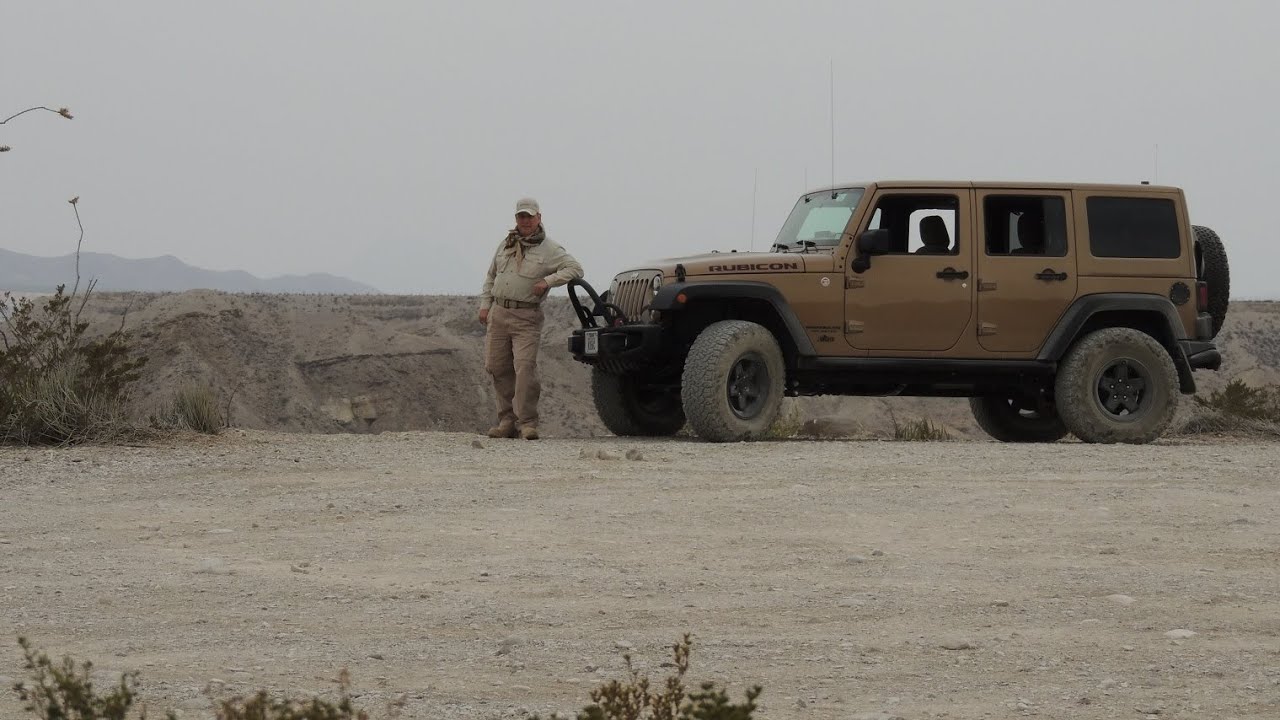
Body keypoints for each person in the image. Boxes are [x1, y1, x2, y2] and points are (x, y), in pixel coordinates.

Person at [478, 198, 583, 440]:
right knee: (497, 367)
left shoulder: (550, 249)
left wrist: (548, 281)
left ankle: (527, 423)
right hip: (499, 313)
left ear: (538, 218)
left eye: (529, 216)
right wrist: (485, 305)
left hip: (526, 316)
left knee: (524, 368)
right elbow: (491, 277)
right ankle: (506, 421)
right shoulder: (505, 244)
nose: (525, 221)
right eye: (521, 217)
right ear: (516, 219)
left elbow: (575, 269)